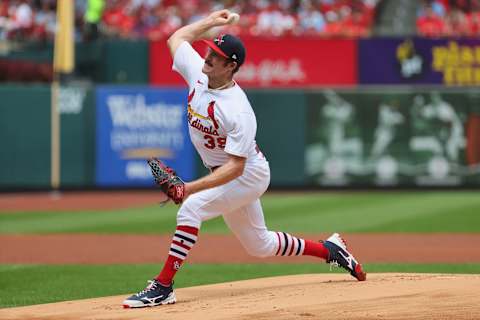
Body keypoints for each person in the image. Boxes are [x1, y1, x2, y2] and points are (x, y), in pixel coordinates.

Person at [122, 9, 366, 309]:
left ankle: (163, 286)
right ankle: (330, 249)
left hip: (247, 173)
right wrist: (211, 23)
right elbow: (177, 37)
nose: (208, 57)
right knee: (259, 245)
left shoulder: (238, 110)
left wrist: (188, 189)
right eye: (209, 51)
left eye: (216, 55)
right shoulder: (198, 72)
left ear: (231, 65)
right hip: (224, 171)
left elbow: (236, 167)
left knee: (191, 210)